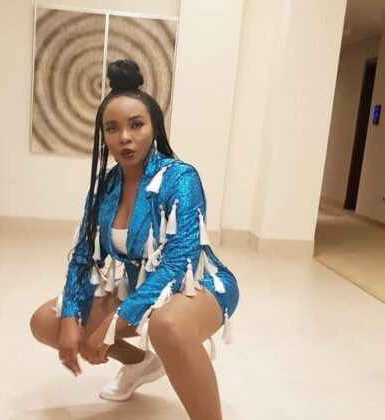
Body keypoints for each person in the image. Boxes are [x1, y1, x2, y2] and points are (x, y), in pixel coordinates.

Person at [30, 59, 239, 420]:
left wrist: (112, 324)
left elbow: (179, 263)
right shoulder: (106, 186)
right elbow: (83, 257)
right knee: (45, 321)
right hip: (139, 287)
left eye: (136, 125)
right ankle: (141, 363)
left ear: (154, 127)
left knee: (167, 326)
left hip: (197, 286)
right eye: (112, 128)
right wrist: (69, 320)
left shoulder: (180, 178)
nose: (124, 137)